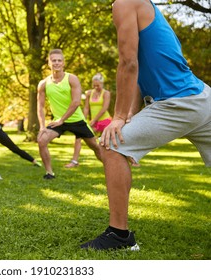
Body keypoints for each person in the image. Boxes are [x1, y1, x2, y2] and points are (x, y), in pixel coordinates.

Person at [80, 0, 211, 250]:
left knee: (111, 145)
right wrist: (130, 114)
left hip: (178, 102)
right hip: (203, 98)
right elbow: (142, 68)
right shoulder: (144, 6)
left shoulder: (124, 3)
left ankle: (119, 236)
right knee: (118, 141)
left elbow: (128, 63)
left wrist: (118, 118)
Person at [37, 49, 102, 179]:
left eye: (59, 60)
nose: (56, 63)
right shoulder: (43, 84)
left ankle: (110, 167)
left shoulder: (72, 79)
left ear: (63, 63)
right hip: (58, 122)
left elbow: (76, 102)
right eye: (53, 60)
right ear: (49, 63)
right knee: (41, 141)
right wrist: (42, 126)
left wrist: (62, 119)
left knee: (95, 146)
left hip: (77, 120)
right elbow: (40, 106)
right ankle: (49, 172)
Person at [65, 73, 111, 168]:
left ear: (102, 84)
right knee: (79, 137)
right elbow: (86, 108)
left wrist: (94, 119)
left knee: (111, 142)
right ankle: (74, 161)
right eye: (94, 85)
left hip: (105, 121)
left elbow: (104, 108)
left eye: (98, 85)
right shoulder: (89, 93)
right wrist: (83, 119)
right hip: (93, 122)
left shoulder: (106, 93)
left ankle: (128, 160)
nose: (96, 87)